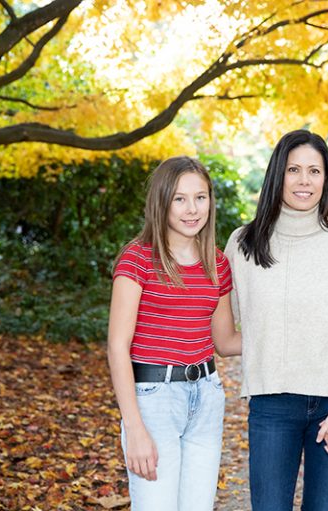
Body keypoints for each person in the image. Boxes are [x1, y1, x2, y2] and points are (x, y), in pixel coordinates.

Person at [224, 129, 328, 511]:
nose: (304, 181)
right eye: (294, 170)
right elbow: (226, 329)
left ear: (326, 179)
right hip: (271, 404)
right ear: (278, 174)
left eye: (315, 171)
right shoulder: (243, 244)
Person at [107, 156, 241, 511]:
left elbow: (225, 341)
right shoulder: (137, 259)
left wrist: (288, 334)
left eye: (200, 197)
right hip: (154, 401)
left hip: (207, 398)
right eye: (180, 199)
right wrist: (134, 428)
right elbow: (117, 347)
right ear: (161, 202)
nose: (192, 209)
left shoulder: (217, 263)